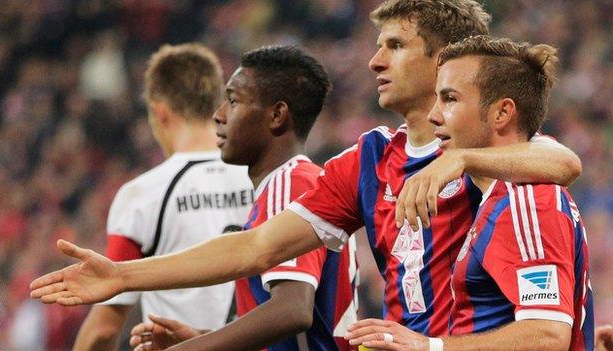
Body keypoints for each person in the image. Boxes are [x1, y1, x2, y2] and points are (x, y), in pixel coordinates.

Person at [30, 0, 582, 339]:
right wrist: (124, 275)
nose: (374, 61)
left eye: (394, 45)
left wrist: (460, 158)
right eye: (376, 45)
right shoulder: (369, 159)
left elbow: (561, 162)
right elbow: (255, 249)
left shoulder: (488, 146)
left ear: (443, 61)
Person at [345, 35, 594, 351]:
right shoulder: (493, 198)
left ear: (502, 114)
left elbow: (546, 335)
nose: (434, 114)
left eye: (449, 98)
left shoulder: (526, 199)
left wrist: (428, 346)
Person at [128, 45, 357, 351]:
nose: (219, 115)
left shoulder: (291, 185)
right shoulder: (293, 186)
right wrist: (201, 338)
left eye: (233, 101)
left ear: (276, 115)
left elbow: (293, 311)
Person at [72, 43, 254, 351]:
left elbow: (103, 329)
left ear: (160, 112)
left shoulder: (143, 194)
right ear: (218, 104)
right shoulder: (262, 176)